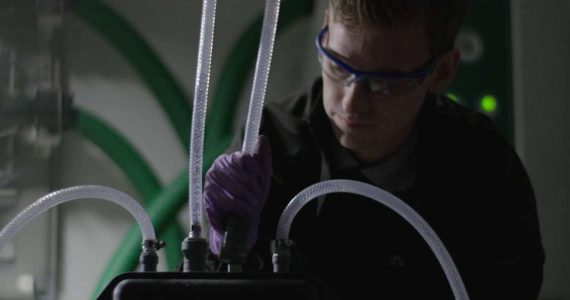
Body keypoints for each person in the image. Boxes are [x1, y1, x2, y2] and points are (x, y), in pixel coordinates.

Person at [203, 0, 545, 299]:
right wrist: (223, 248)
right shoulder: (270, 144)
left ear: (442, 72)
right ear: (324, 31)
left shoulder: (483, 168)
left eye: (384, 83)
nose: (351, 104)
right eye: (337, 66)